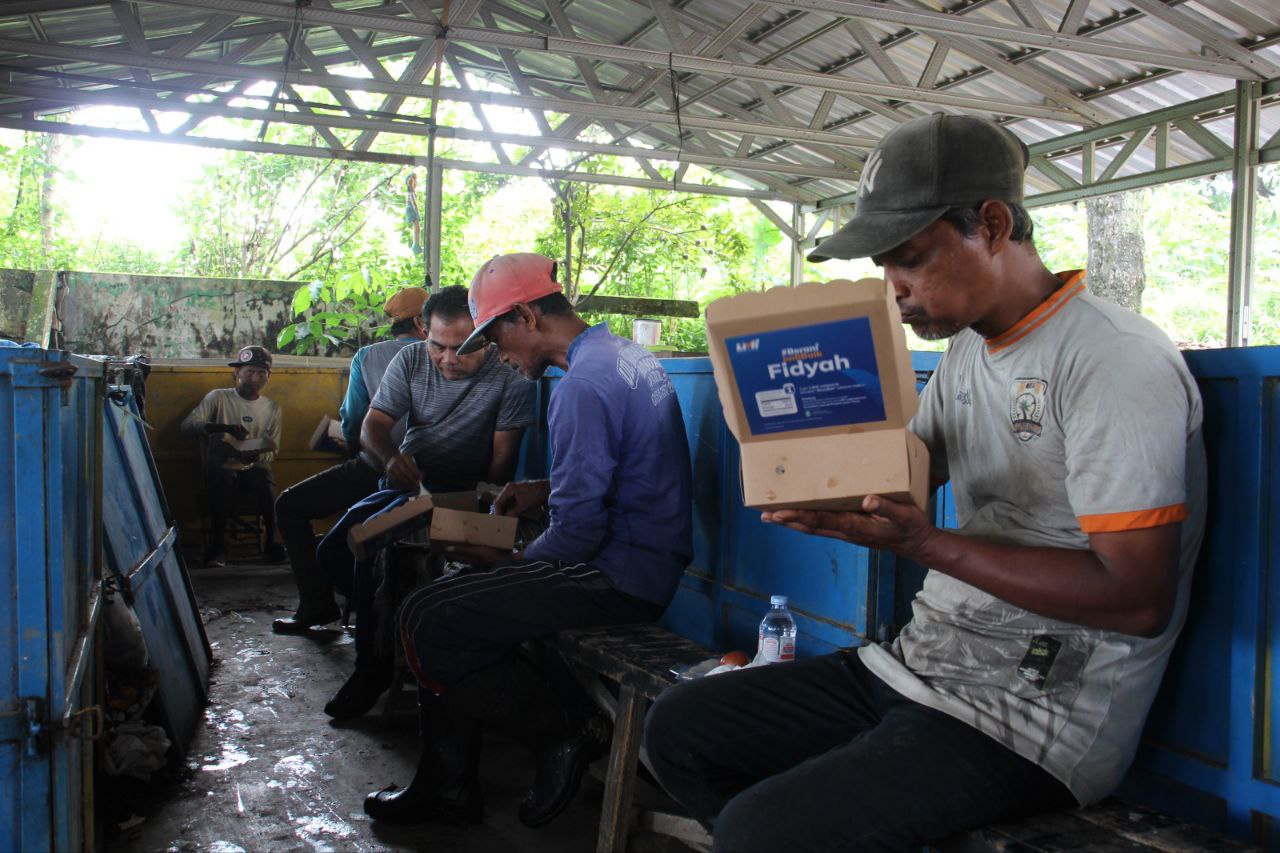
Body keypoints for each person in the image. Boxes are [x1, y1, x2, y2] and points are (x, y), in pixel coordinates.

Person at [643, 113, 1208, 852]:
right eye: (884, 267)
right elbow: (901, 475)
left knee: (759, 831)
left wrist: (929, 543)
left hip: (1031, 712)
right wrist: (803, 461)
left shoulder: (1113, 359)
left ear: (994, 225)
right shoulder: (969, 353)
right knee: (679, 728)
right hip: (919, 662)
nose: (895, 289)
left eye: (909, 258)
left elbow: (1136, 599)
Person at [362, 253, 693, 829]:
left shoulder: (579, 388)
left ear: (526, 316)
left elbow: (577, 535)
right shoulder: (624, 357)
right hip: (649, 556)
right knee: (446, 600)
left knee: (426, 615)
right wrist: (545, 486)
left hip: (617, 576)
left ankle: (562, 733)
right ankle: (450, 784)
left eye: (495, 334)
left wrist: (508, 560)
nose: (493, 352)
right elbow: (630, 466)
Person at [318, 284, 536, 719]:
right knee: (336, 552)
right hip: (406, 483)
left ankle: (374, 668)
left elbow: (500, 462)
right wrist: (392, 459)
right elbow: (371, 428)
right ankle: (387, 636)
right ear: (423, 330)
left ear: (488, 338)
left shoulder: (510, 374)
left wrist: (479, 513)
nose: (449, 360)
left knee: (379, 552)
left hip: (466, 492)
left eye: (464, 348)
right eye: (439, 346)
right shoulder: (411, 359)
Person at [271, 287, 430, 636]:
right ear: (423, 322)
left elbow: (355, 421)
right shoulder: (455, 354)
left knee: (289, 506)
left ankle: (317, 605)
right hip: (435, 473)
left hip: (379, 467)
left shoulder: (368, 356)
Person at [181, 345, 287, 568]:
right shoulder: (218, 397)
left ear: (268, 377)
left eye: (261, 373)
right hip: (221, 466)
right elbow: (188, 426)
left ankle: (272, 543)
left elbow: (273, 449)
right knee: (224, 479)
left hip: (252, 468)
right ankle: (217, 547)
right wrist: (223, 428)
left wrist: (255, 457)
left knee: (265, 479)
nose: (254, 378)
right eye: (249, 372)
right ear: (236, 373)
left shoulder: (272, 408)